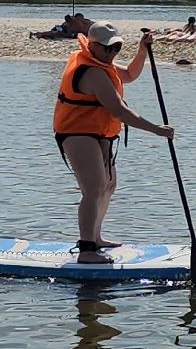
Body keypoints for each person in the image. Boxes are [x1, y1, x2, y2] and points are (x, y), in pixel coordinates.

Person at [54, 23, 172, 264]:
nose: (112, 54)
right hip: (77, 132)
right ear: (93, 46)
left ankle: (95, 237)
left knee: (109, 184)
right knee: (94, 189)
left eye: (116, 48)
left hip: (98, 132)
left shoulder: (102, 64)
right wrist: (156, 130)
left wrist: (141, 51)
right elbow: (119, 110)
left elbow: (128, 74)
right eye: (107, 49)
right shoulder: (92, 72)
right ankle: (86, 249)